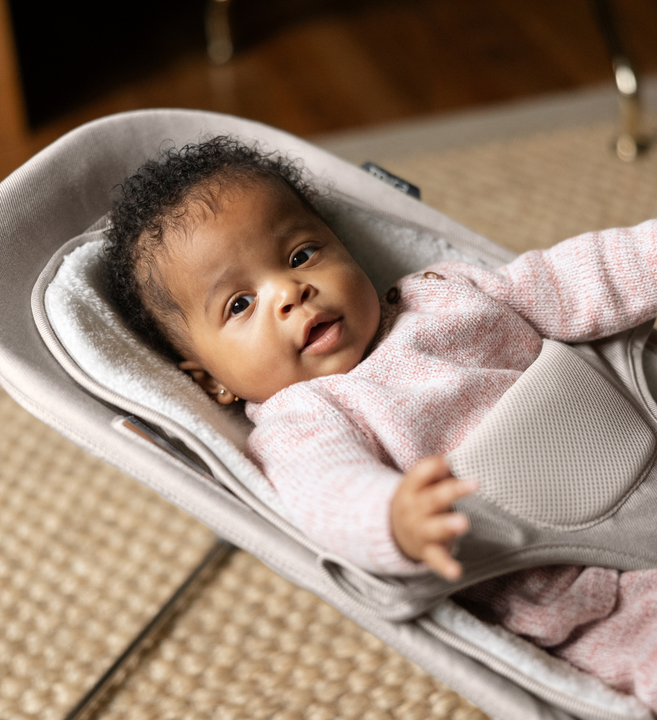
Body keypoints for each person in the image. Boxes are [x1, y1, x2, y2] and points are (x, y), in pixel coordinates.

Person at [103, 137, 657, 708]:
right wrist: (392, 516)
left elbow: (576, 276)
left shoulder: (443, 293)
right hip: (584, 591)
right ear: (211, 381)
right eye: (239, 304)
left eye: (300, 256)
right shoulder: (303, 416)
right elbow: (329, 490)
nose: (290, 293)